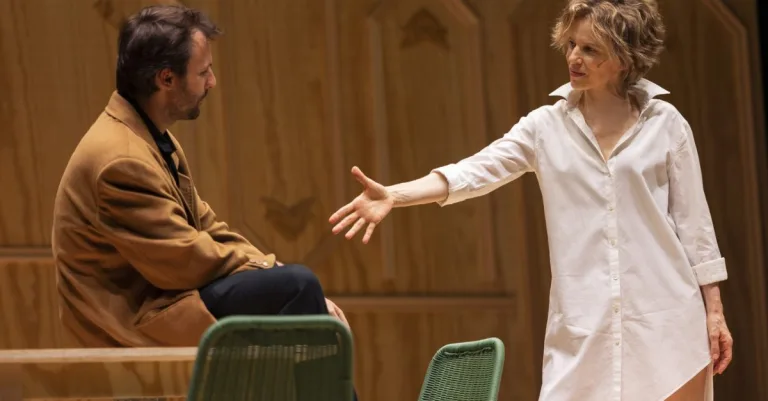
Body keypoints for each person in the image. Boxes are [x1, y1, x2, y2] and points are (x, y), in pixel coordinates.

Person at [329, 0, 732, 400]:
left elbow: (694, 225)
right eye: (571, 44)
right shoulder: (545, 127)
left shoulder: (666, 123)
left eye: (590, 49)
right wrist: (394, 195)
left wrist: (714, 312)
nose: (573, 57)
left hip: (666, 319)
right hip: (583, 325)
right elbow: (475, 171)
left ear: (624, 58)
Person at [51, 5, 348, 349]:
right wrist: (266, 270)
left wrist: (269, 267)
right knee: (296, 286)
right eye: (204, 72)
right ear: (166, 79)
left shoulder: (147, 137)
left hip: (163, 298)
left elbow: (205, 225)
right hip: (133, 322)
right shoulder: (121, 159)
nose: (212, 81)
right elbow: (180, 260)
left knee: (293, 286)